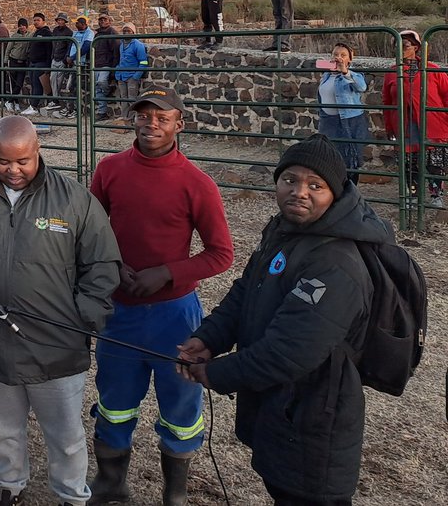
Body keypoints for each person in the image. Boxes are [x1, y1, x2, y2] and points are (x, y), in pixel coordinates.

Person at [178, 134, 394, 506]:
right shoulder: (285, 229)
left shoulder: (337, 262)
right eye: (290, 179)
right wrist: (210, 337)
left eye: (315, 185)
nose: (299, 192)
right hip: (279, 408)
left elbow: (290, 351)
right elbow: (247, 290)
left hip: (313, 418)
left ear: (337, 193)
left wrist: (216, 373)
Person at [0, 116, 121, 506]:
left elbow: (102, 264)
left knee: (66, 436)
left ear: (38, 152)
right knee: (1, 428)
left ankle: (72, 495)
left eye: (23, 161)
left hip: (56, 346)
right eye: (3, 161)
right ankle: (8, 485)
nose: (13, 171)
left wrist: (83, 316)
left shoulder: (73, 199)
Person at [88, 87, 233, 506]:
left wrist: (167, 273)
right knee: (114, 400)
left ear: (178, 125)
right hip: (119, 311)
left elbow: (221, 253)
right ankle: (112, 483)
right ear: (133, 119)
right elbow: (92, 231)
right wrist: (112, 265)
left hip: (175, 315)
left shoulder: (197, 183)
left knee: (181, 404)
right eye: (144, 115)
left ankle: (176, 492)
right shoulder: (110, 169)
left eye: (162, 117)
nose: (151, 123)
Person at [382, 29, 448, 209]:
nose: (401, 48)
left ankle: (436, 195)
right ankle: (413, 195)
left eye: (405, 45)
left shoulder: (432, 69)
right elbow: (387, 102)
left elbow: (446, 95)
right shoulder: (392, 72)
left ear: (416, 47)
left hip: (432, 123)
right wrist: (390, 128)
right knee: (409, 163)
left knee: (434, 161)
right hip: (405, 124)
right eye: (397, 45)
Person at [317, 42, 370, 186]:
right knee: (328, 155)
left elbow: (362, 87)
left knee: (350, 157)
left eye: (343, 55)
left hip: (348, 121)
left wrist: (345, 71)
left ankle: (350, 189)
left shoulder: (353, 75)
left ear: (349, 59)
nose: (338, 58)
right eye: (335, 54)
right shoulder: (326, 75)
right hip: (328, 121)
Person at [113, 23, 149, 124]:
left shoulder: (138, 45)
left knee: (132, 99)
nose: (126, 33)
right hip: (121, 75)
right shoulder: (122, 44)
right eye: (124, 31)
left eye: (128, 31)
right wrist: (117, 72)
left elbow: (143, 62)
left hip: (132, 76)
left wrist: (136, 76)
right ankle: (125, 118)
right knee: (124, 98)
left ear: (133, 32)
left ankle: (133, 120)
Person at [91, 14, 119, 120]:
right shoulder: (97, 34)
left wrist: (113, 68)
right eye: (101, 20)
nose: (102, 21)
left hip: (106, 63)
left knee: (101, 82)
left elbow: (115, 51)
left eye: (105, 19)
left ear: (109, 21)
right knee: (97, 89)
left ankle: (108, 91)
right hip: (96, 63)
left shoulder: (112, 33)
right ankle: (102, 112)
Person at [47, 12, 73, 112]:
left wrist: (65, 59)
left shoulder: (68, 32)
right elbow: (53, 44)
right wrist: (52, 56)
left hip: (62, 58)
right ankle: (55, 99)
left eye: (62, 20)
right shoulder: (55, 30)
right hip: (55, 57)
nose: (60, 21)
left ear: (65, 21)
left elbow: (69, 46)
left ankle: (56, 100)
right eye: (59, 20)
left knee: (59, 80)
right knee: (52, 78)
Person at [7, 18, 32, 113]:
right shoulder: (14, 36)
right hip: (13, 61)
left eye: (24, 25)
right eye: (20, 25)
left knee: (19, 83)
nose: (22, 27)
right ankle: (16, 103)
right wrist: (6, 62)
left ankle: (9, 101)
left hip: (23, 62)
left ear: (27, 26)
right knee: (13, 83)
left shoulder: (30, 35)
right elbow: (8, 49)